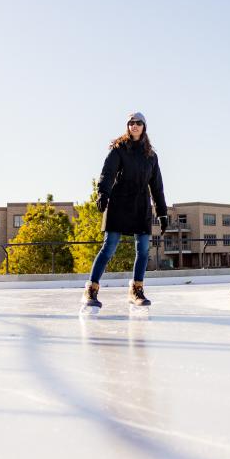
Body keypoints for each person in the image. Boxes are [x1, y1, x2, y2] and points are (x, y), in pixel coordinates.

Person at [81, 111, 168, 313]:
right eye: (131, 123)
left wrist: (162, 214)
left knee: (144, 250)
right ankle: (91, 289)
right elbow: (108, 172)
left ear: (144, 127)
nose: (134, 126)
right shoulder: (119, 149)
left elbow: (157, 187)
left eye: (138, 123)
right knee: (109, 247)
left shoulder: (151, 156)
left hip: (141, 206)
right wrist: (102, 192)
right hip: (119, 203)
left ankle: (136, 290)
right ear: (127, 126)